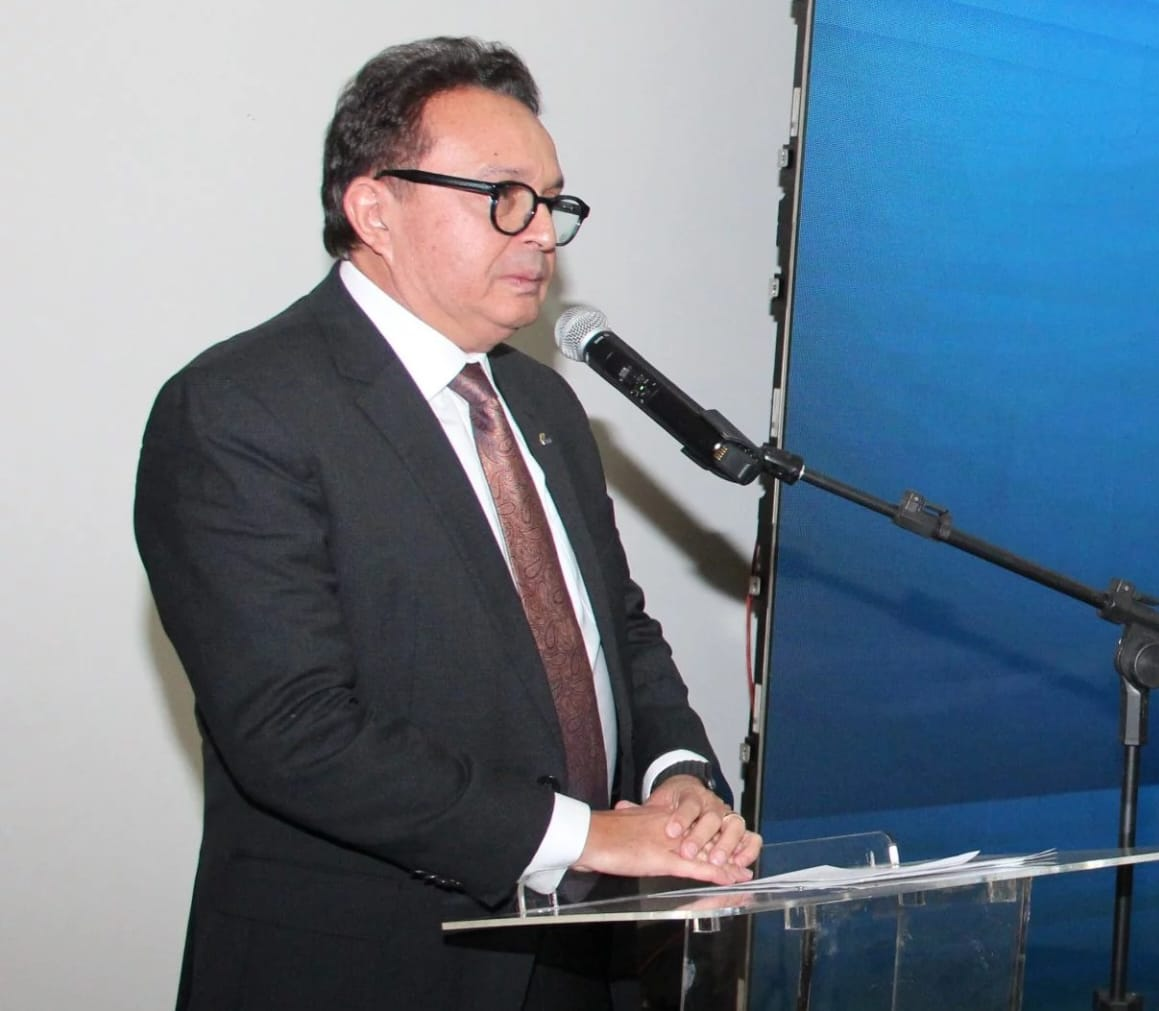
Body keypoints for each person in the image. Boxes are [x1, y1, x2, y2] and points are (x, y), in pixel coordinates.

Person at [134, 36, 759, 1011]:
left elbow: (618, 633)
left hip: (585, 961)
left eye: (552, 202)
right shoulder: (240, 410)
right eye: (505, 196)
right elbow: (293, 729)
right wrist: (587, 836)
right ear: (373, 209)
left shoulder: (544, 405)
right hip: (373, 967)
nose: (542, 232)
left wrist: (675, 774)